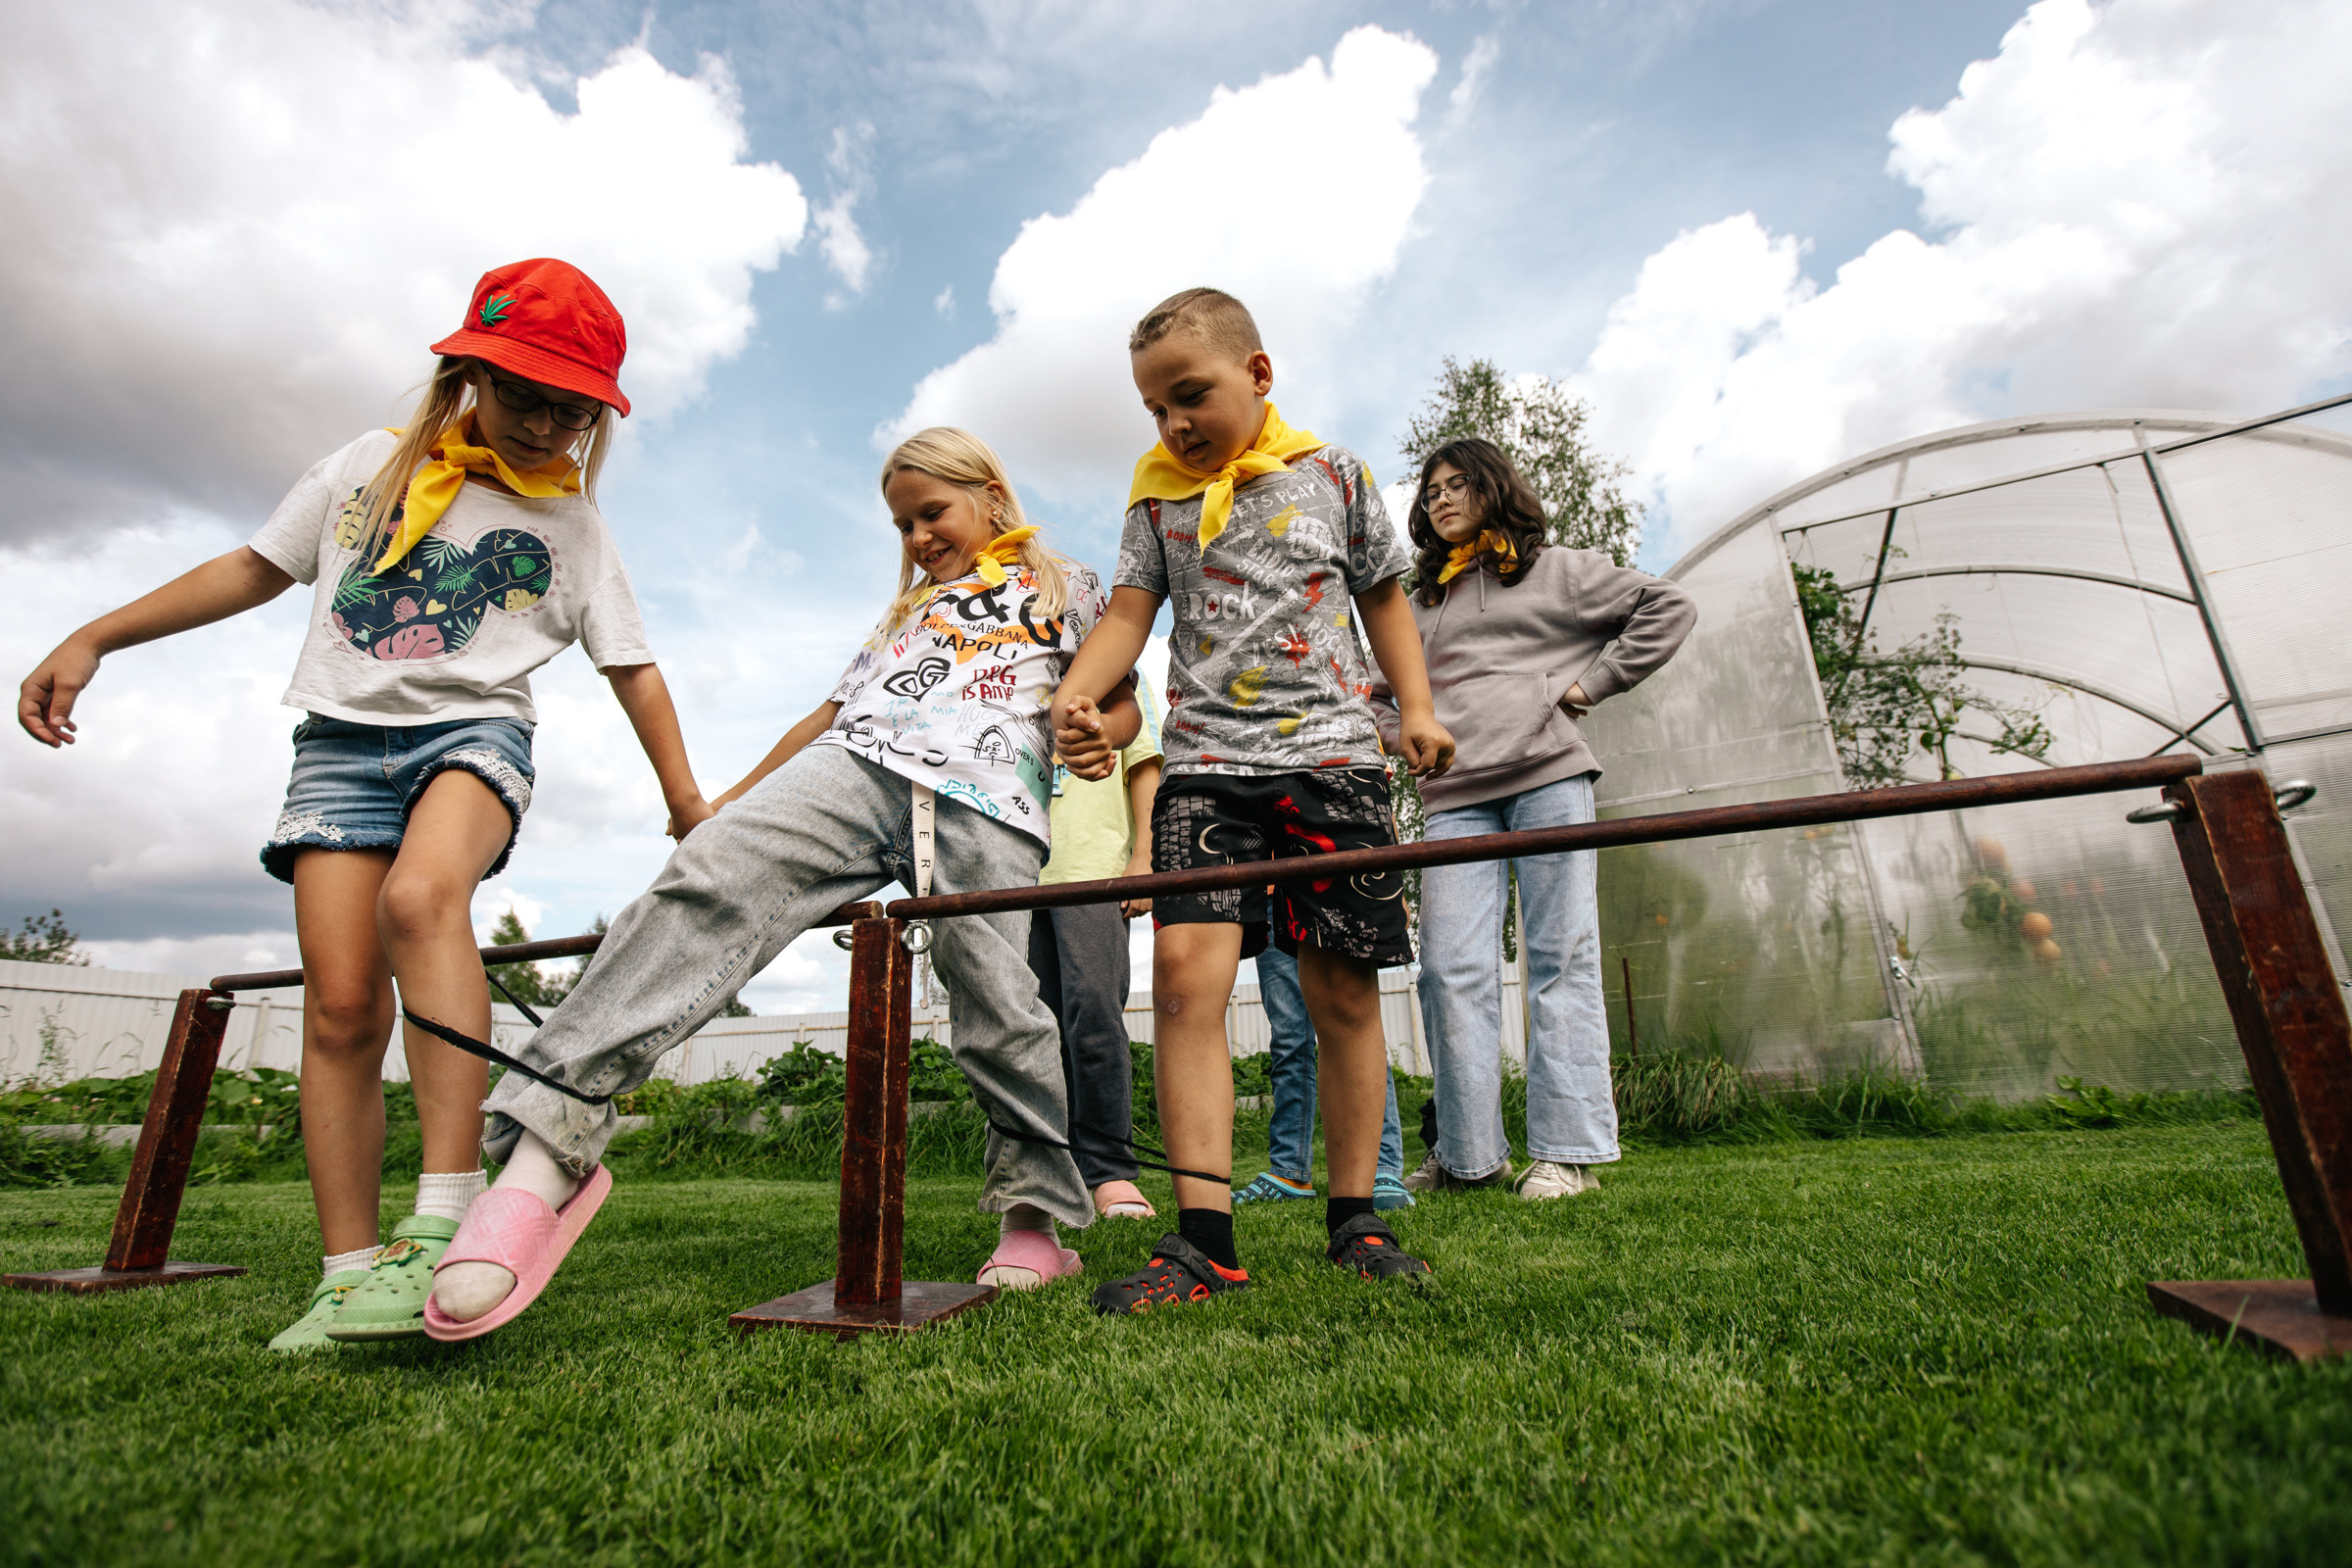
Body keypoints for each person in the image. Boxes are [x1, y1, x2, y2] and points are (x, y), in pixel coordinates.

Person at [15, 259, 706, 1350]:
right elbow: (251, 568)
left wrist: (685, 803)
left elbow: (633, 665)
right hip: (338, 750)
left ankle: (445, 1212)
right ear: (466, 371)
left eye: (574, 410)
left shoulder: (572, 524)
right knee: (340, 1007)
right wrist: (94, 633)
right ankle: (345, 1271)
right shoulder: (365, 472)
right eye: (525, 394)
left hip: (476, 736)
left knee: (423, 902)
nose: (545, 423)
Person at [422, 427, 1143, 1338]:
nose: (918, 537)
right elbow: (829, 717)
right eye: (902, 525)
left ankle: (1034, 1217)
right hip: (858, 768)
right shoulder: (904, 616)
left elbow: (1119, 699)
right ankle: (541, 1158)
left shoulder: (1069, 587)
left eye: (933, 513)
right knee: (706, 878)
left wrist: (1098, 730)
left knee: (998, 992)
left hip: (989, 795)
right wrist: (726, 801)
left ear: (991, 495)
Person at [1054, 287, 1456, 1315]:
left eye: (1190, 396)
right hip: (1205, 765)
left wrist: (1414, 706)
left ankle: (1356, 1216)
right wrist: (1080, 693)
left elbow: (1383, 600)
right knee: (1187, 984)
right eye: (1154, 408)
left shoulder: (1338, 475)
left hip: (1335, 763)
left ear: (1259, 374)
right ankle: (1202, 1244)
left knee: (1342, 993)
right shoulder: (1156, 503)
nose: (1172, 424)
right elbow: (1132, 618)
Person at [1373, 437, 1694, 1200]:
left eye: (1457, 486)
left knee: (1561, 957)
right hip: (1454, 798)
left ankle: (1566, 1152)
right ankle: (1467, 1156)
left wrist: (1587, 688)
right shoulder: (1419, 605)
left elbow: (1668, 606)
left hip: (1549, 777)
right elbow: (1376, 694)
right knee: (1450, 970)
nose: (1440, 500)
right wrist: (1405, 738)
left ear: (1493, 490)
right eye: (1430, 491)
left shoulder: (1559, 572)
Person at [1029, 683, 1165, 1220]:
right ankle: (1048, 1173)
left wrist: (1144, 857)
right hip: (1016, 871)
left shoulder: (1115, 669)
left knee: (1095, 1011)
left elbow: (1144, 763)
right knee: (1031, 1027)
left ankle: (1109, 1171)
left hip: (1092, 867)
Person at [1231, 946, 1413, 1209]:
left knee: (1356, 1023)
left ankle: (1381, 1166)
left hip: (1339, 905)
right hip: (1271, 907)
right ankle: (1289, 1171)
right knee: (1287, 1040)